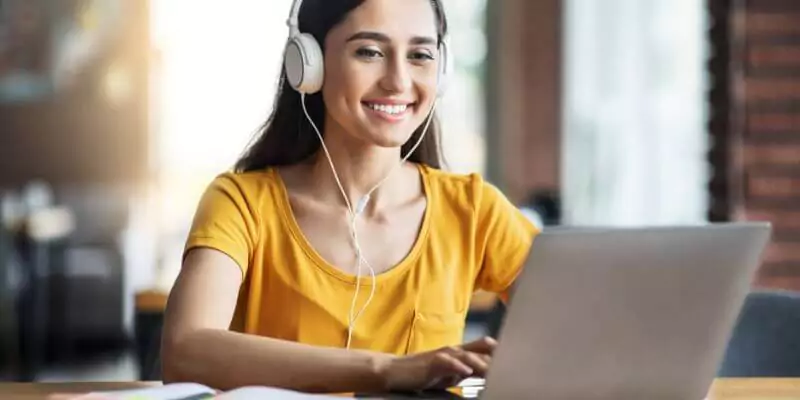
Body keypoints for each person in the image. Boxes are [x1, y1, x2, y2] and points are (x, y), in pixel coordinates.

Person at [160, 0, 538, 394]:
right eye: (369, 52)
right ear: (309, 63)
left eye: (420, 55)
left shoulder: (475, 211)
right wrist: (387, 369)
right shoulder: (241, 203)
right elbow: (186, 351)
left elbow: (588, 331)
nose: (398, 80)